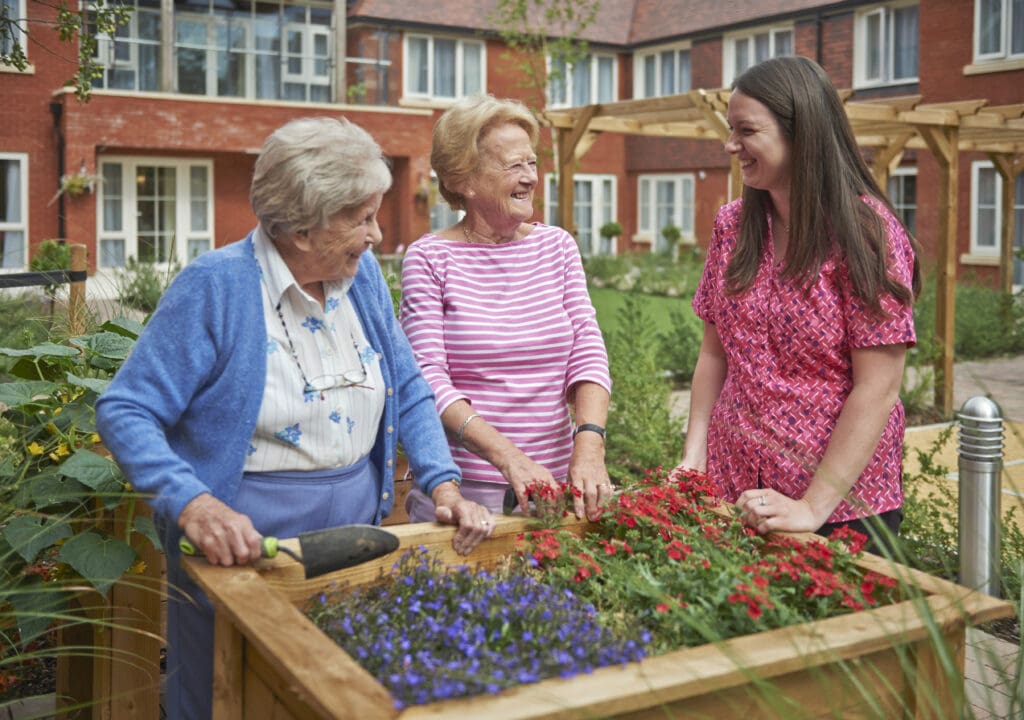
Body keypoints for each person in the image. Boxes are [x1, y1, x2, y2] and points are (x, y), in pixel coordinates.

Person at [95, 116, 493, 720]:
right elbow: (125, 409)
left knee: (326, 695)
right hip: (240, 550)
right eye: (361, 218)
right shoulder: (216, 288)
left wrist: (444, 483)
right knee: (223, 697)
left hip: (354, 542)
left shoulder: (359, 284)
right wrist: (195, 504)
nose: (378, 234)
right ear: (303, 228)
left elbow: (407, 385)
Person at [676, 56, 921, 553]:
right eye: (730, 129)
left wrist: (812, 507)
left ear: (800, 134)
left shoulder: (867, 234)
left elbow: (879, 386)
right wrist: (694, 458)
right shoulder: (732, 225)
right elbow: (714, 354)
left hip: (843, 508)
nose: (730, 146)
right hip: (735, 490)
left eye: (746, 130)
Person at [400, 94, 613, 523]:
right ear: (465, 180)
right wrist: (510, 458)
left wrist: (589, 446)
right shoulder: (429, 259)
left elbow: (587, 351)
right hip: (467, 493)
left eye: (532, 163)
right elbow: (427, 381)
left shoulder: (557, 247)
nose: (530, 178)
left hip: (555, 488)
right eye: (514, 166)